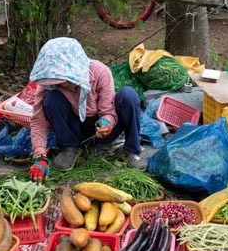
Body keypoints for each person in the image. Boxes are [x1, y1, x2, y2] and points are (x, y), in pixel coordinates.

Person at [28, 37, 146, 182]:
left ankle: (131, 151)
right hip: (75, 129)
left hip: (100, 132)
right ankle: (70, 148)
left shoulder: (100, 72)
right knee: (51, 98)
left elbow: (108, 112)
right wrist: (40, 156)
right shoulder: (49, 83)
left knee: (129, 95)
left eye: (63, 81)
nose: (60, 84)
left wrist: (106, 123)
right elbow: (38, 121)